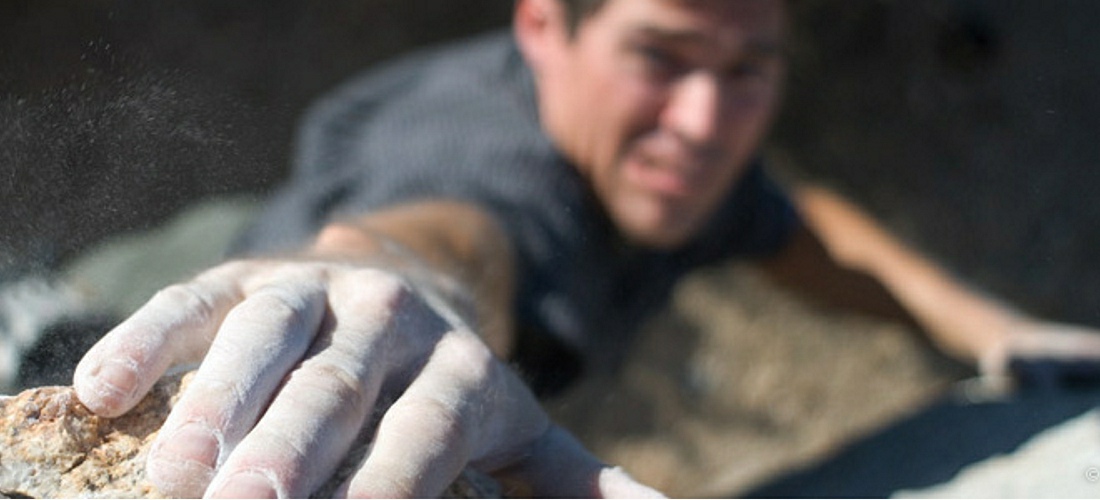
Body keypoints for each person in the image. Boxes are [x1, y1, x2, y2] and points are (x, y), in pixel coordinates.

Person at [72, 0, 1100, 497]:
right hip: (102, 312)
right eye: (659, 55)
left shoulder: (670, 164)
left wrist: (989, 329)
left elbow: (795, 219)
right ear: (540, 29)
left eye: (748, 68)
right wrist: (384, 284)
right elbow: (450, 226)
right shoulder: (491, 153)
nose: (704, 121)